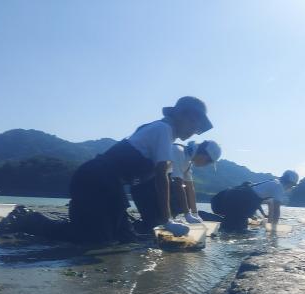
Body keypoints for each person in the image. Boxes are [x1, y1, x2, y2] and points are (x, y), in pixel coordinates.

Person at [70, 96, 213, 243]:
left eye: (198, 127)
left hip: (110, 184)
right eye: (193, 121)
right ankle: (45, 226)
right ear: (179, 115)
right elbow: (161, 175)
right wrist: (167, 221)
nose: (194, 129)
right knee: (97, 240)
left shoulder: (166, 134)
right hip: (95, 179)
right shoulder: (164, 129)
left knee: (125, 237)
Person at [206, 170, 299, 232]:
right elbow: (276, 209)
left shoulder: (273, 182)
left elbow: (271, 207)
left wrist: (270, 225)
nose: (291, 187)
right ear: (290, 182)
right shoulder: (279, 187)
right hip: (243, 201)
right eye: (293, 185)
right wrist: (274, 229)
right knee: (237, 231)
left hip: (234, 196)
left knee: (230, 227)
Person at [169, 140, 221, 223]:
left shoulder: (188, 161)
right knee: (178, 188)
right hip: (147, 184)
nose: (206, 165)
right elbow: (177, 184)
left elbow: (190, 187)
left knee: (185, 190)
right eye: (208, 162)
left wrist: (195, 213)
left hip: (157, 186)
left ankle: (170, 217)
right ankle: (164, 219)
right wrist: (187, 214)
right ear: (204, 155)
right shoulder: (179, 152)